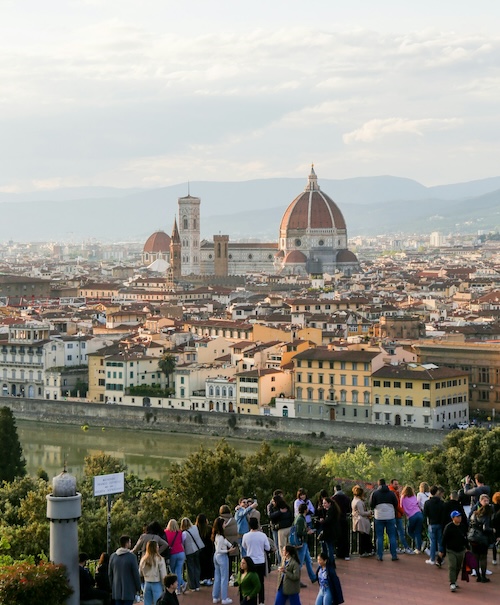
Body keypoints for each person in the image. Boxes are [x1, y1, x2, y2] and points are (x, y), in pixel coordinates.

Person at [242, 516, 270, 605]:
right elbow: (268, 547)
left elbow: (244, 546)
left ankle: (251, 600)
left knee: (251, 582)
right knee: (260, 582)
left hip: (250, 561)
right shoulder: (263, 535)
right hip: (260, 561)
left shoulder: (245, 536)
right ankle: (261, 601)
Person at [369, 478, 398, 562]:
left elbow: (371, 504)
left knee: (379, 537)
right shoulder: (391, 493)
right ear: (386, 484)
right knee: (392, 536)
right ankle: (394, 555)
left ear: (378, 484)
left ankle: (380, 555)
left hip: (379, 517)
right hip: (390, 516)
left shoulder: (375, 493)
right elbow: (396, 504)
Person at [439, 511, 468, 592]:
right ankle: (452, 583)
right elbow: (444, 540)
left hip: (461, 550)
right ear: (453, 518)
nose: (459, 518)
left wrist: (467, 547)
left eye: (460, 516)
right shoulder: (448, 527)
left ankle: (454, 580)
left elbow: (465, 537)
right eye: (457, 517)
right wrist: (442, 551)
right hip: (451, 550)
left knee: (458, 566)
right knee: (452, 566)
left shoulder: (462, 526)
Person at [109, 535, 142, 605]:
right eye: (130, 542)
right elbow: (135, 573)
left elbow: (110, 574)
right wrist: (138, 587)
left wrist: (113, 586)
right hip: (129, 590)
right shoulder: (132, 557)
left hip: (116, 590)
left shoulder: (113, 556)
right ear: (127, 543)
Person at [469, 493, 494, 583]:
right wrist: (493, 530)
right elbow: (485, 528)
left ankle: (478, 576)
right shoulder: (487, 516)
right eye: (485, 500)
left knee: (475, 557)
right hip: (482, 538)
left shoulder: (475, 513)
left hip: (472, 537)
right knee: (483, 557)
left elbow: (470, 522)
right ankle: (483, 576)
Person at [212, 515, 235, 605]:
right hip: (222, 557)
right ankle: (224, 598)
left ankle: (215, 596)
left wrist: (230, 545)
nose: (225, 524)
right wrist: (228, 550)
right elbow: (219, 549)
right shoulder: (221, 537)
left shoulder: (217, 536)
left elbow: (225, 542)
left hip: (216, 557)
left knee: (217, 577)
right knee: (224, 578)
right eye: (224, 523)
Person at [293, 503, 316, 584]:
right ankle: (296, 580)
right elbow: (299, 532)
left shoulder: (299, 517)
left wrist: (306, 529)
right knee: (300, 562)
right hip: (302, 542)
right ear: (305, 510)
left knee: (308, 561)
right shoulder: (300, 519)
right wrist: (308, 532)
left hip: (303, 542)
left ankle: (313, 577)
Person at [389, 479, 413, 555]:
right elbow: (396, 505)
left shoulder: (394, 492)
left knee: (396, 533)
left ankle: (396, 548)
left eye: (397, 484)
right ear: (391, 484)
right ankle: (406, 547)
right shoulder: (393, 493)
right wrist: (402, 511)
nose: (397, 485)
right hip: (396, 515)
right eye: (395, 484)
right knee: (401, 532)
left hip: (395, 515)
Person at [139, 539, 168, 605]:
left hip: (147, 583)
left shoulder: (143, 559)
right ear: (155, 548)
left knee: (147, 603)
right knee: (158, 602)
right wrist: (165, 584)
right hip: (156, 583)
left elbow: (140, 572)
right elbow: (163, 574)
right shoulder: (159, 559)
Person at [423, 485, 445, 566]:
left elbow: (425, 515)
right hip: (440, 523)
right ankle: (440, 559)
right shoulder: (442, 503)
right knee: (440, 542)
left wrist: (425, 524)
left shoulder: (427, 503)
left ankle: (432, 559)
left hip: (431, 524)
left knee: (432, 542)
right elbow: (444, 515)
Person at [165, 519, 188, 594]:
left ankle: (179, 586)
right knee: (179, 571)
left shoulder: (166, 532)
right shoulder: (179, 532)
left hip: (172, 553)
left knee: (172, 571)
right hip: (181, 552)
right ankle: (180, 586)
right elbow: (181, 542)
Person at [181, 516, 204, 591]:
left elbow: (183, 543)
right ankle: (197, 584)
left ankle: (192, 586)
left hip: (189, 552)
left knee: (190, 569)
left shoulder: (184, 533)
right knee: (197, 567)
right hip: (197, 549)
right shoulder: (195, 528)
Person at [400, 485, 424, 553]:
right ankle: (419, 547)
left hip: (411, 515)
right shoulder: (414, 496)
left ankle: (420, 543)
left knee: (409, 531)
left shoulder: (403, 497)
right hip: (419, 513)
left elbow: (401, 506)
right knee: (418, 531)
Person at [351, 485, 373, 557]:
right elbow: (362, 512)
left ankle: (363, 551)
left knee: (362, 537)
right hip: (362, 521)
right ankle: (364, 551)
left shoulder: (354, 501)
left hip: (357, 519)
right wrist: (369, 512)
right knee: (364, 537)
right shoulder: (359, 502)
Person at [317, 497, 340, 565]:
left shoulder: (331, 511)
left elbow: (328, 521)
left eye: (325, 503)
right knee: (329, 546)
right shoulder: (332, 510)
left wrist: (322, 521)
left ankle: (330, 562)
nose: (323, 505)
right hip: (331, 531)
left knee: (329, 547)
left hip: (330, 531)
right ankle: (330, 561)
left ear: (329, 503)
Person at [332, 485, 351, 560]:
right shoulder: (346, 498)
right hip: (344, 519)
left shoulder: (333, 499)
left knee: (338, 537)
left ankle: (338, 553)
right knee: (345, 537)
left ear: (335, 489)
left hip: (336, 520)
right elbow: (349, 509)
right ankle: (346, 554)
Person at [197, 513, 215, 586]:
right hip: (209, 548)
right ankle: (208, 578)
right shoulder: (209, 528)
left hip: (199, 549)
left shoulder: (196, 529)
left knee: (201, 564)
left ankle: (201, 578)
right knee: (209, 563)